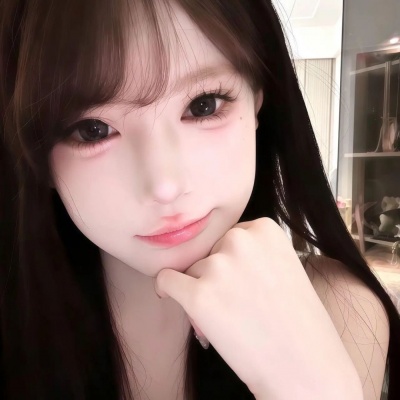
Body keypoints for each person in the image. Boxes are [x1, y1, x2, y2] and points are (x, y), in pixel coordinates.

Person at [0, 0, 399, 399]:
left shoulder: (342, 310)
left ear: (257, 100)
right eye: (93, 130)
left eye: (202, 105)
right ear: (36, 155)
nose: (165, 186)